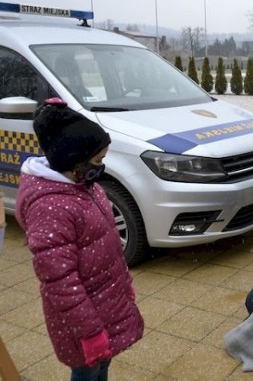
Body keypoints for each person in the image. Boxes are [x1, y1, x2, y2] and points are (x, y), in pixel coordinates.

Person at [15, 98, 144, 380]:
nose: (102, 168)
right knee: (87, 371)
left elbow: (107, 244)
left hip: (104, 304)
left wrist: (124, 287)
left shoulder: (85, 186)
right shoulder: (50, 207)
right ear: (73, 161)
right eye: (98, 161)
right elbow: (60, 283)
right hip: (81, 322)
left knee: (102, 367)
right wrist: (90, 332)